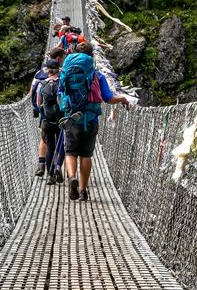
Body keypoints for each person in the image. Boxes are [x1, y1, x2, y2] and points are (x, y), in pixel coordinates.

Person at [60, 40, 130, 202]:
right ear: (92, 57)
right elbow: (108, 98)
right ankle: (83, 191)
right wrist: (123, 98)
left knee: (70, 152)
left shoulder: (67, 72)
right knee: (86, 155)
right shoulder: (97, 75)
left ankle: (71, 178)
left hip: (72, 119)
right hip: (91, 120)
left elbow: (61, 95)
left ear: (74, 53)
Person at [31, 46, 65, 176]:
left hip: (46, 115)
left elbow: (33, 93)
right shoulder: (62, 77)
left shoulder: (39, 75)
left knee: (45, 140)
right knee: (61, 141)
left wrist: (37, 110)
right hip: (60, 116)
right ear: (58, 59)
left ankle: (42, 165)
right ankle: (58, 167)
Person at [36, 58, 64, 184]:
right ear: (58, 69)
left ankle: (50, 176)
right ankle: (58, 167)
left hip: (47, 121)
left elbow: (38, 104)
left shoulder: (41, 84)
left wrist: (43, 114)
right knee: (61, 146)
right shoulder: (62, 82)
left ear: (47, 70)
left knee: (50, 148)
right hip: (61, 121)